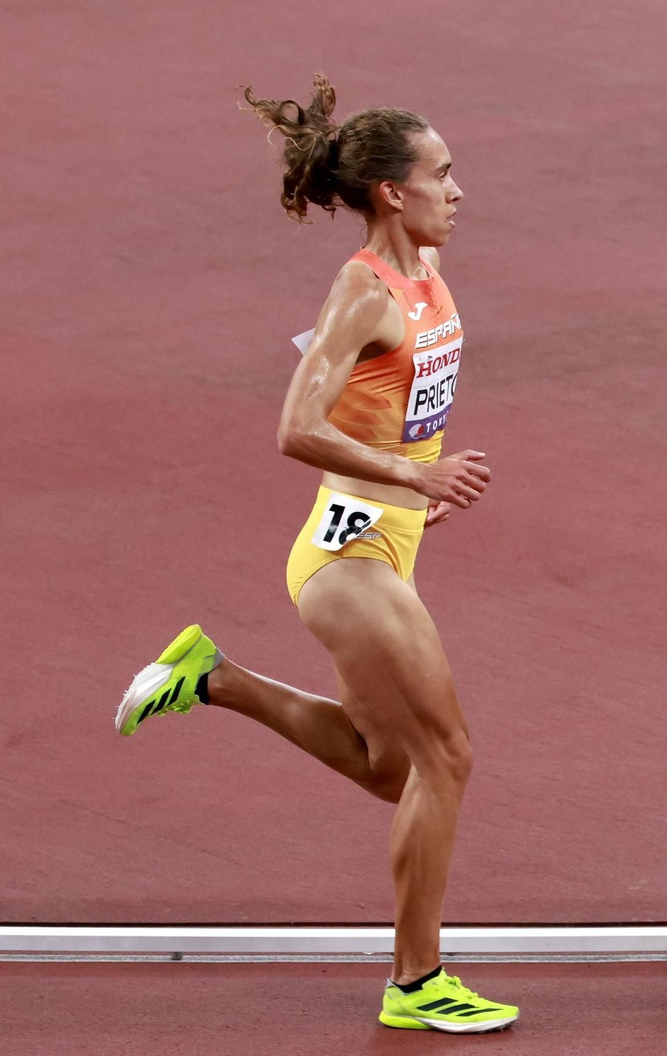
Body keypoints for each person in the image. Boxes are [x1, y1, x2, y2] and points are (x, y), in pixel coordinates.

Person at [114, 74, 517, 1034]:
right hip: (351, 559)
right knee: (448, 758)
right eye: (442, 175)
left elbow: (390, 406)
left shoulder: (424, 271)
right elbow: (296, 426)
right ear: (392, 191)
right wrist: (410, 479)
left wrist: (412, 482)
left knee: (392, 768)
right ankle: (417, 984)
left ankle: (213, 679)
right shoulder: (362, 287)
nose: (458, 191)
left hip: (387, 538)